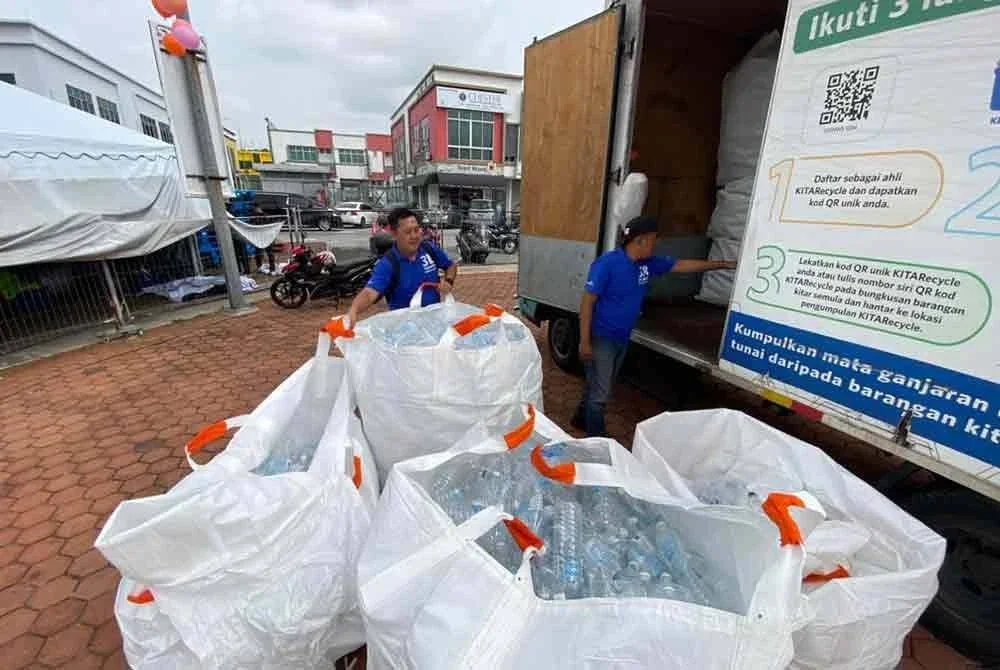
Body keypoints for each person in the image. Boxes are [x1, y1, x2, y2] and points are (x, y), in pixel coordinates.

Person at [572, 215, 737, 437]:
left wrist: (720, 264)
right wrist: (584, 341)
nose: (655, 244)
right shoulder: (607, 264)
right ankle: (596, 442)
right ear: (640, 240)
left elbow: (680, 265)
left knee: (600, 383)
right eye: (652, 240)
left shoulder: (646, 265)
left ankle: (579, 419)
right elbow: (587, 302)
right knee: (601, 394)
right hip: (602, 337)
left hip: (621, 337)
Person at [347, 207, 458, 325]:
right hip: (404, 330)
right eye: (408, 232)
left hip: (434, 323)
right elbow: (369, 293)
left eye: (416, 230)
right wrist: (354, 310)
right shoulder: (388, 264)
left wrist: (448, 281)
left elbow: (450, 266)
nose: (414, 236)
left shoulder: (428, 248)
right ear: (394, 234)